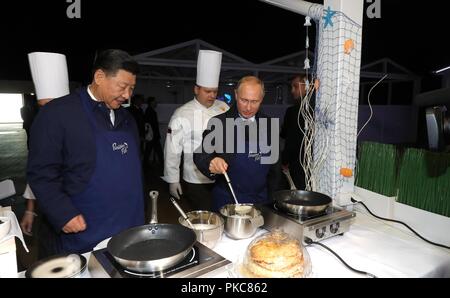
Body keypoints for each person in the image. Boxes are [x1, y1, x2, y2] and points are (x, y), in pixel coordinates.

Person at [27, 49, 145, 256]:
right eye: (123, 86)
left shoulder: (128, 119)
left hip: (129, 226)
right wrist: (62, 214)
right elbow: (41, 173)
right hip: (86, 231)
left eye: (132, 88)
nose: (128, 95)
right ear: (99, 77)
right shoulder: (58, 114)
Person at [194, 76, 279, 211]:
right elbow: (200, 154)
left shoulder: (270, 125)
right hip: (227, 200)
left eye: (254, 101)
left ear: (261, 99)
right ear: (236, 95)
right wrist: (211, 161)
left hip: (261, 201)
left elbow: (274, 170)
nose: (248, 107)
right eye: (244, 100)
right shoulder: (220, 122)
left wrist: (274, 201)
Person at [163, 50, 229, 210]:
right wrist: (173, 179)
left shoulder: (224, 108)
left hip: (222, 177)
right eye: (207, 91)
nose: (212, 95)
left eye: (215, 91)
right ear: (196, 89)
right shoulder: (182, 113)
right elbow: (172, 149)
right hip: (195, 180)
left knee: (223, 217)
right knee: (203, 221)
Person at [20, 52, 71, 237]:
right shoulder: (41, 127)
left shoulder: (79, 126)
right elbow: (38, 172)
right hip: (50, 212)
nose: (48, 112)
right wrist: (30, 210)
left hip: (78, 210)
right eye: (43, 106)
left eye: (52, 105)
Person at [280, 75, 314, 190]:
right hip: (314, 163)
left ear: (307, 86)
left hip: (298, 163)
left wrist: (284, 159)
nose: (292, 91)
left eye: (295, 86)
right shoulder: (318, 107)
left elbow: (290, 138)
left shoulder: (293, 111)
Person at [143, 96, 163, 165]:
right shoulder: (150, 111)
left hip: (152, 135)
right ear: (151, 102)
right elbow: (152, 125)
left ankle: (145, 165)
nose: (156, 103)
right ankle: (163, 164)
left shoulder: (149, 110)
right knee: (157, 150)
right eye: (155, 102)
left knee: (149, 150)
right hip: (153, 135)